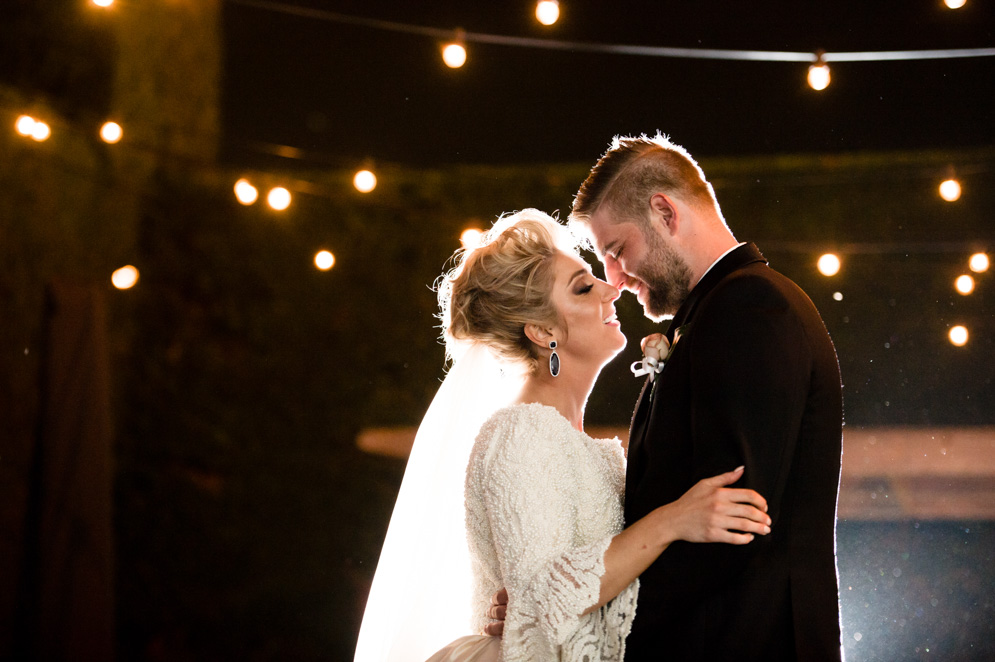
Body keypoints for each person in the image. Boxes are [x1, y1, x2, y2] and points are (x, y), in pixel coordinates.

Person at [353, 210, 772, 662]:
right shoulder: (517, 433)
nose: (613, 290)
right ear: (542, 331)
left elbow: (561, 591)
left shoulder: (592, 450)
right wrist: (674, 519)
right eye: (584, 287)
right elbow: (544, 595)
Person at [567, 134, 845, 661]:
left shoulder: (749, 309)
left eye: (618, 251)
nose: (616, 279)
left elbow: (734, 524)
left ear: (665, 212)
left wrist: (589, 618)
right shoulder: (719, 312)